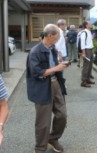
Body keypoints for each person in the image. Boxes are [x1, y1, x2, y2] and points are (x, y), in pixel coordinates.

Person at [26, 24, 70, 153]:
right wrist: (56, 68)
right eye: (57, 36)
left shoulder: (53, 48)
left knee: (62, 115)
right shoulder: (35, 51)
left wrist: (60, 64)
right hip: (42, 87)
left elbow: (54, 67)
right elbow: (37, 72)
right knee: (43, 121)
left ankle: (53, 138)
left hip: (55, 84)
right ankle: (40, 148)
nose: (58, 39)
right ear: (50, 36)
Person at [79, 21, 95, 87]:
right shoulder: (84, 32)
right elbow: (82, 42)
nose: (91, 24)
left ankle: (88, 79)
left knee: (90, 65)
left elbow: (89, 41)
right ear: (86, 25)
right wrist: (83, 52)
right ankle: (83, 81)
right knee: (86, 66)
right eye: (89, 23)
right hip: (86, 50)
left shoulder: (89, 31)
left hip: (90, 49)